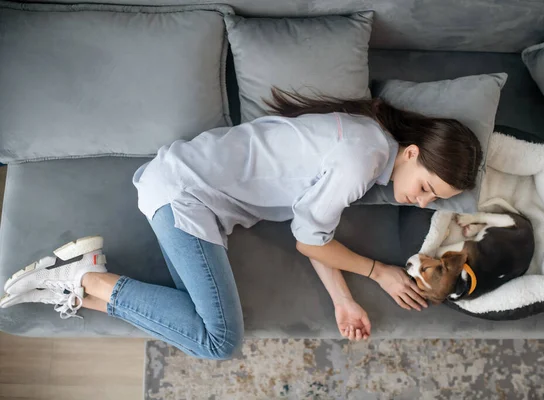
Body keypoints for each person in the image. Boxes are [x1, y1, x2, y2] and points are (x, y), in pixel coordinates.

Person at [0, 88, 482, 359]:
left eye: (431, 203)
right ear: (412, 153)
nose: (420, 202)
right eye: (426, 188)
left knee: (199, 318)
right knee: (218, 341)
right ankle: (82, 276)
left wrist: (342, 300)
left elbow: (313, 233)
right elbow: (311, 241)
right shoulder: (363, 159)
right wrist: (379, 272)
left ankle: (78, 288)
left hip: (186, 193)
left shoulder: (368, 144)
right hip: (185, 195)